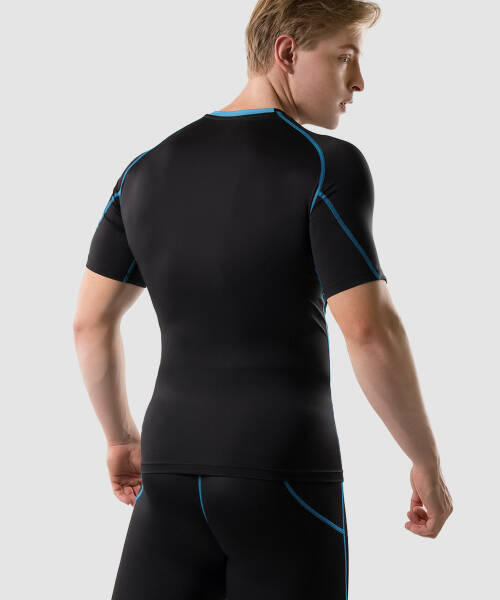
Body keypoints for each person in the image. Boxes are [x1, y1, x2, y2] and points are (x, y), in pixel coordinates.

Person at [73, 1, 453, 598]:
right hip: (283, 475)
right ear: (287, 52)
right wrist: (425, 459)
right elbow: (369, 331)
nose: (358, 81)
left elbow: (90, 322)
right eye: (345, 58)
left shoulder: (143, 171)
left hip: (170, 473)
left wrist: (121, 438)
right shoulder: (327, 165)